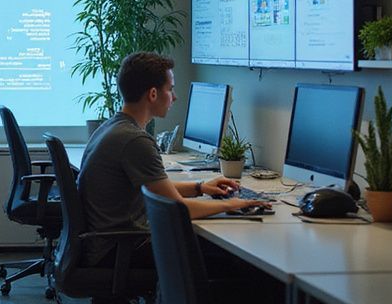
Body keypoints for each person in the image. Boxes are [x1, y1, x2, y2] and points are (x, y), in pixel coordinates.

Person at [77, 51, 261, 268]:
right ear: (153, 94)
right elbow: (179, 209)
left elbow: (156, 190)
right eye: (170, 89)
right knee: (236, 261)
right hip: (121, 251)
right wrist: (235, 204)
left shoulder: (113, 126)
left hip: (109, 245)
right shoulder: (135, 140)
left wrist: (200, 187)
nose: (174, 97)